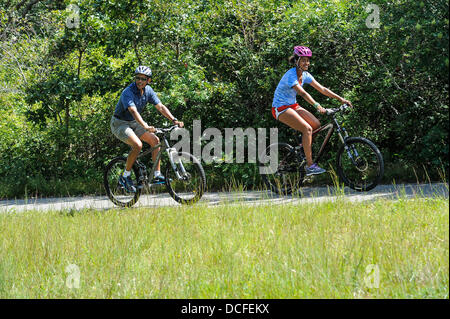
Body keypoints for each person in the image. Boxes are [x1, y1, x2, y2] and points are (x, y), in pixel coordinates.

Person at [272, 46, 352, 176]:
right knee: (307, 129)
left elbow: (323, 89)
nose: (306, 63)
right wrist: (317, 105)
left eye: (308, 60)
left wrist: (341, 99)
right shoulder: (290, 75)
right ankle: (310, 166)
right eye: (303, 60)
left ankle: (303, 149)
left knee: (316, 125)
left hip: (292, 106)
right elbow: (303, 93)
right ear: (296, 60)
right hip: (280, 108)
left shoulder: (306, 75)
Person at [111, 65, 184, 193]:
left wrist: (174, 120)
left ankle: (157, 175)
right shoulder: (127, 92)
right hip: (120, 123)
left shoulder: (148, 91)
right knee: (137, 145)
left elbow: (160, 107)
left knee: (155, 141)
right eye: (137, 78)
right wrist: (145, 126)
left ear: (148, 80)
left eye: (143, 79)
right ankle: (125, 176)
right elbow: (133, 111)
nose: (139, 81)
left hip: (134, 122)